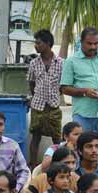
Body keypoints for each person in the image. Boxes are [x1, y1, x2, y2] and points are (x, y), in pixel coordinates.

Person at [61, 27, 98, 152]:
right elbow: (64, 88)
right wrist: (84, 92)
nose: (93, 47)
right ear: (81, 42)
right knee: (82, 149)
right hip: (83, 114)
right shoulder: (71, 61)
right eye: (89, 43)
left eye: (96, 43)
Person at [27, 29, 65, 166]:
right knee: (35, 137)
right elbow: (31, 83)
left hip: (53, 106)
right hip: (37, 106)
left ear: (48, 43)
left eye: (38, 43)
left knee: (57, 138)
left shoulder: (61, 63)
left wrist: (56, 95)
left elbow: (64, 84)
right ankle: (32, 166)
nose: (35, 46)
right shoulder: (34, 63)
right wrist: (36, 96)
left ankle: (60, 164)